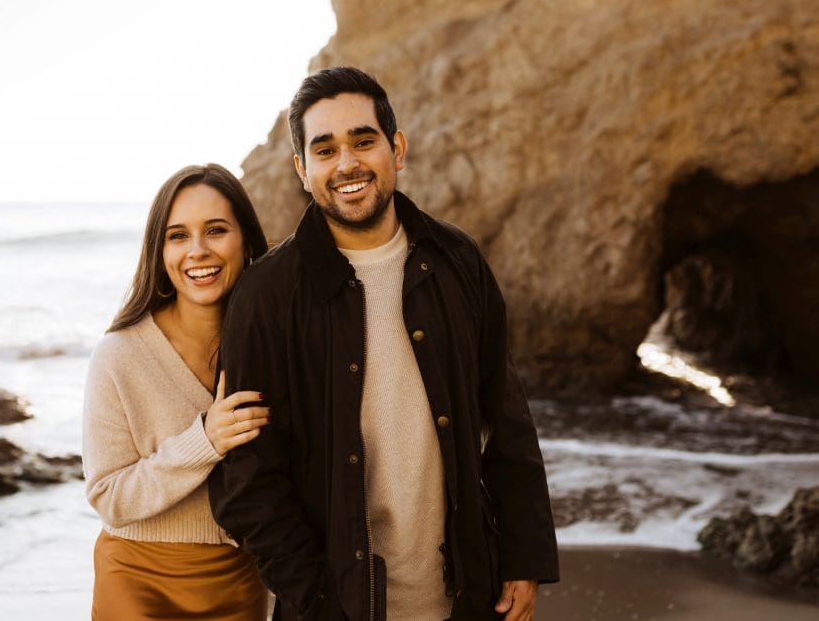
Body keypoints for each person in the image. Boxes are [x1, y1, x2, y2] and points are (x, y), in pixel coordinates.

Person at [209, 68, 559, 620]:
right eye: (324, 150)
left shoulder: (457, 261)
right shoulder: (267, 294)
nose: (346, 163)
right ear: (302, 170)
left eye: (363, 141)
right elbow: (246, 477)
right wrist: (320, 598)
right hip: (334, 607)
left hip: (466, 596)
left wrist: (523, 555)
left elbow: (507, 418)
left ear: (397, 149)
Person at [83, 164, 272, 620]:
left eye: (215, 230)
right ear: (160, 251)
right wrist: (204, 441)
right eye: (178, 236)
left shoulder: (270, 348)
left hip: (241, 581)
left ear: (245, 241)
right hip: (138, 581)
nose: (198, 251)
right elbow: (109, 496)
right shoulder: (118, 355)